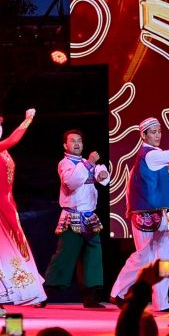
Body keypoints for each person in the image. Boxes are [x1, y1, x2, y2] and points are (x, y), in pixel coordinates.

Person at [0, 94, 47, 317]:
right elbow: (12, 140)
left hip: (6, 205)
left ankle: (6, 296)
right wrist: (27, 120)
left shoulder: (0, 149)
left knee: (11, 250)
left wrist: (11, 207)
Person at [111, 114, 169, 310]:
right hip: (144, 215)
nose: (157, 135)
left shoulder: (152, 156)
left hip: (157, 213)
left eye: (159, 131)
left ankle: (161, 303)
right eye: (153, 132)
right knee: (143, 257)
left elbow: (133, 185)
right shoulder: (150, 155)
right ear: (143, 136)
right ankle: (117, 292)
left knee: (164, 259)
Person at [45, 130, 110, 308]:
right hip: (72, 216)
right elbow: (72, 182)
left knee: (93, 254)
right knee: (64, 255)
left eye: (79, 140)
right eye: (72, 141)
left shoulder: (85, 163)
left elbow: (101, 176)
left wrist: (102, 174)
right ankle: (44, 292)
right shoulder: (65, 163)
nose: (76, 144)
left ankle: (91, 296)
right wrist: (90, 163)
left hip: (89, 216)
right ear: (65, 145)